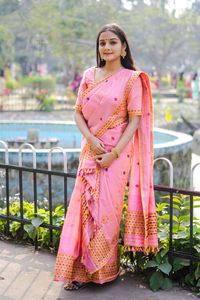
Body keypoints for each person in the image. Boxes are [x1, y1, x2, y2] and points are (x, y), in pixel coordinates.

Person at [54, 23, 158, 290]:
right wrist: (90, 139)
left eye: (113, 42)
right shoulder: (90, 75)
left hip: (116, 154)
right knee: (83, 208)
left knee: (105, 211)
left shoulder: (132, 79)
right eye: (102, 43)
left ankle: (101, 271)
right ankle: (78, 273)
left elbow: (134, 122)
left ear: (123, 47)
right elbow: (77, 113)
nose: (107, 47)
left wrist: (113, 153)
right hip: (91, 149)